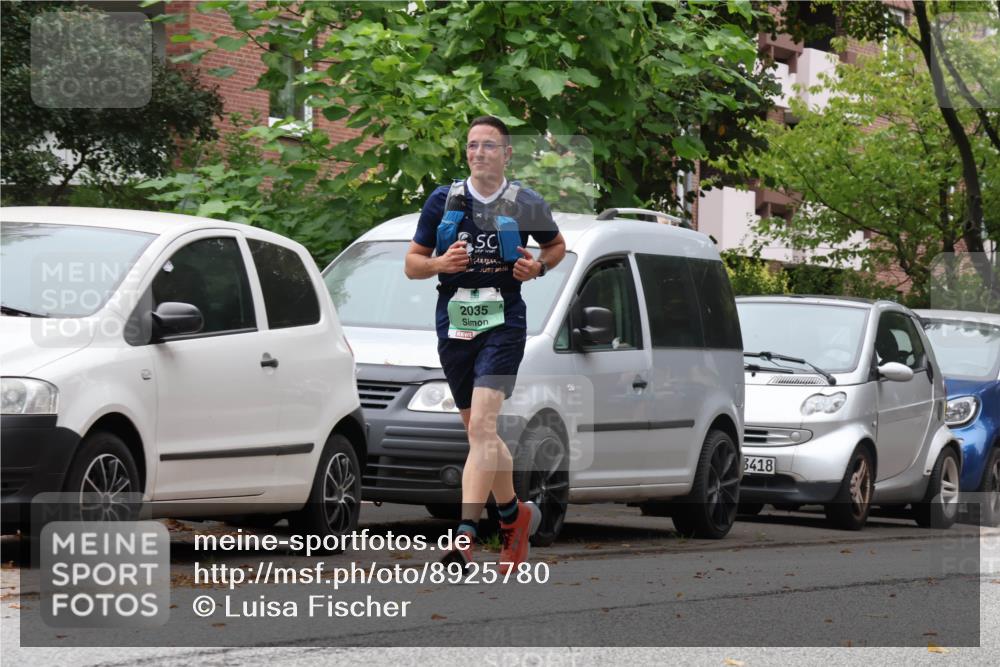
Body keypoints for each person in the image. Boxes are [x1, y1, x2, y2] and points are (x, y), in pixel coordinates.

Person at [404, 115, 566, 573]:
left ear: (507, 153)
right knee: (482, 432)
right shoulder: (444, 199)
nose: (479, 153)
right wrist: (440, 263)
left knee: (481, 428)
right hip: (454, 322)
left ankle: (465, 536)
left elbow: (556, 247)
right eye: (473, 145)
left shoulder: (525, 202)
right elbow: (412, 265)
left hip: (504, 322)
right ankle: (515, 518)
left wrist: (538, 268)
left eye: (489, 146)